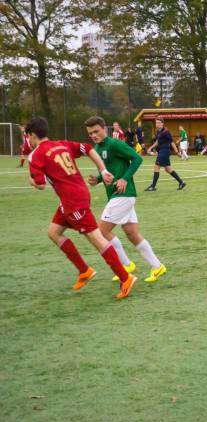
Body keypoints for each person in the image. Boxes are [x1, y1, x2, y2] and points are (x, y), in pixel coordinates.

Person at [26, 116, 137, 299]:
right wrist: (103, 170)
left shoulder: (36, 154)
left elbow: (40, 185)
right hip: (74, 197)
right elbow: (88, 149)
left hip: (73, 201)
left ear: (31, 135)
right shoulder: (62, 144)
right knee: (54, 232)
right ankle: (84, 270)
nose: (27, 140)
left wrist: (31, 181)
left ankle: (126, 278)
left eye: (27, 137)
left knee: (97, 238)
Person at [84, 116, 167, 284]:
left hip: (123, 194)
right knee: (131, 233)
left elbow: (137, 158)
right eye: (90, 133)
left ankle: (125, 265)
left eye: (96, 131)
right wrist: (98, 179)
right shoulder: (98, 148)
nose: (93, 135)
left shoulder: (114, 144)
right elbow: (110, 171)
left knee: (101, 232)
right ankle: (157, 266)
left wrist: (125, 179)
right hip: (117, 195)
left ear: (104, 129)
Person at [145, 118, 186, 191]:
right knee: (168, 169)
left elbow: (172, 142)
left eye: (158, 123)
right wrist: (150, 148)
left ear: (162, 124)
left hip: (165, 151)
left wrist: (177, 152)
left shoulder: (166, 132)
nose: (157, 124)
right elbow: (157, 142)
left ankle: (153, 186)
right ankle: (181, 182)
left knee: (156, 166)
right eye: (156, 123)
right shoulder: (158, 131)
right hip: (162, 151)